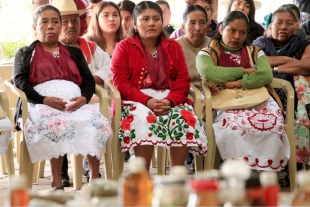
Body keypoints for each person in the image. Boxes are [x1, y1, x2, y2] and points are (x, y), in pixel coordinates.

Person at [13, 5, 112, 190]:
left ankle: (95, 179)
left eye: (55, 22)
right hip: (40, 103)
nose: (50, 26)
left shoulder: (74, 53)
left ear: (60, 27)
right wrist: (44, 99)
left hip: (75, 102)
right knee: (54, 123)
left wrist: (83, 99)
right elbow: (20, 82)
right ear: (35, 27)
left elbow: (89, 81)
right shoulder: (25, 53)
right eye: (44, 22)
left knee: (96, 122)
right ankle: (56, 181)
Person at [111, 1, 207, 171]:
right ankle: (143, 175)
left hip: (169, 99)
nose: (151, 23)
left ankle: (176, 175)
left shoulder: (173, 46)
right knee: (142, 119)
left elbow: (183, 80)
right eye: (145, 19)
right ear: (134, 23)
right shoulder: (124, 47)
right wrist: (147, 101)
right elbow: (120, 83)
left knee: (184, 118)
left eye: (156, 19)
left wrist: (170, 101)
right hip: (135, 101)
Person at [196, 11, 289, 171]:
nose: (237, 36)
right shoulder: (207, 53)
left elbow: (266, 75)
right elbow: (210, 72)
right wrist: (246, 71)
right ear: (221, 28)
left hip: (260, 100)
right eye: (232, 30)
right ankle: (239, 173)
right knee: (233, 127)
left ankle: (265, 173)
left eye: (242, 32)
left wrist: (240, 82)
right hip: (224, 104)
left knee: (273, 125)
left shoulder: (255, 51)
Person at [52, 0, 111, 186]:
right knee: (56, 118)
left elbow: (109, 67)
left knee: (95, 119)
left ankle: (90, 169)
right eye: (65, 21)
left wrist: (89, 81)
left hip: (89, 100)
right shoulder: (47, 47)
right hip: (58, 101)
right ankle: (61, 172)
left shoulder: (90, 47)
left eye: (75, 21)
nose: (71, 25)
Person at [253, 7, 310, 167]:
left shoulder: (303, 44)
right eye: (279, 22)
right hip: (260, 97)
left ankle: (293, 166)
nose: (283, 27)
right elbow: (256, 62)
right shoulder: (259, 43)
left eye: (289, 23)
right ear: (270, 26)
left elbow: (306, 65)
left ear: (296, 26)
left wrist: (274, 67)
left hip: (294, 101)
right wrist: (291, 61)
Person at [176, 4, 211, 93]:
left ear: (207, 25)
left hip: (212, 95)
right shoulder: (175, 47)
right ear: (183, 27)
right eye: (192, 23)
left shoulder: (213, 45)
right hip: (184, 95)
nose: (198, 28)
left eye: (202, 23)